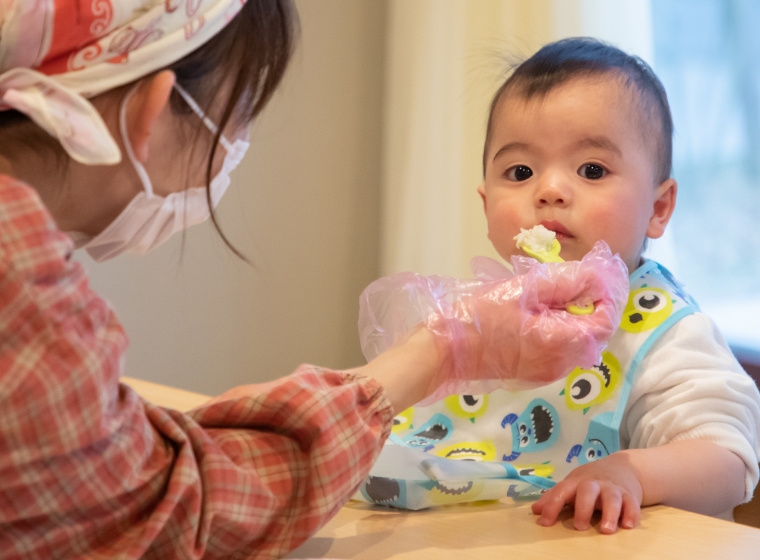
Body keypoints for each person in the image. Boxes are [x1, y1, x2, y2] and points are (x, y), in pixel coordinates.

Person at [0, 3, 623, 558]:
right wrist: (448, 347)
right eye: (235, 121)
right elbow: (175, 512)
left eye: (593, 167)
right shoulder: (23, 292)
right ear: (152, 110)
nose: (550, 191)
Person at [472, 38, 760, 532]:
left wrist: (631, 472)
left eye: (592, 170)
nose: (550, 191)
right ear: (485, 203)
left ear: (658, 207)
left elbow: (730, 462)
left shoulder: (664, 332)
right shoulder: (487, 314)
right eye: (520, 172)